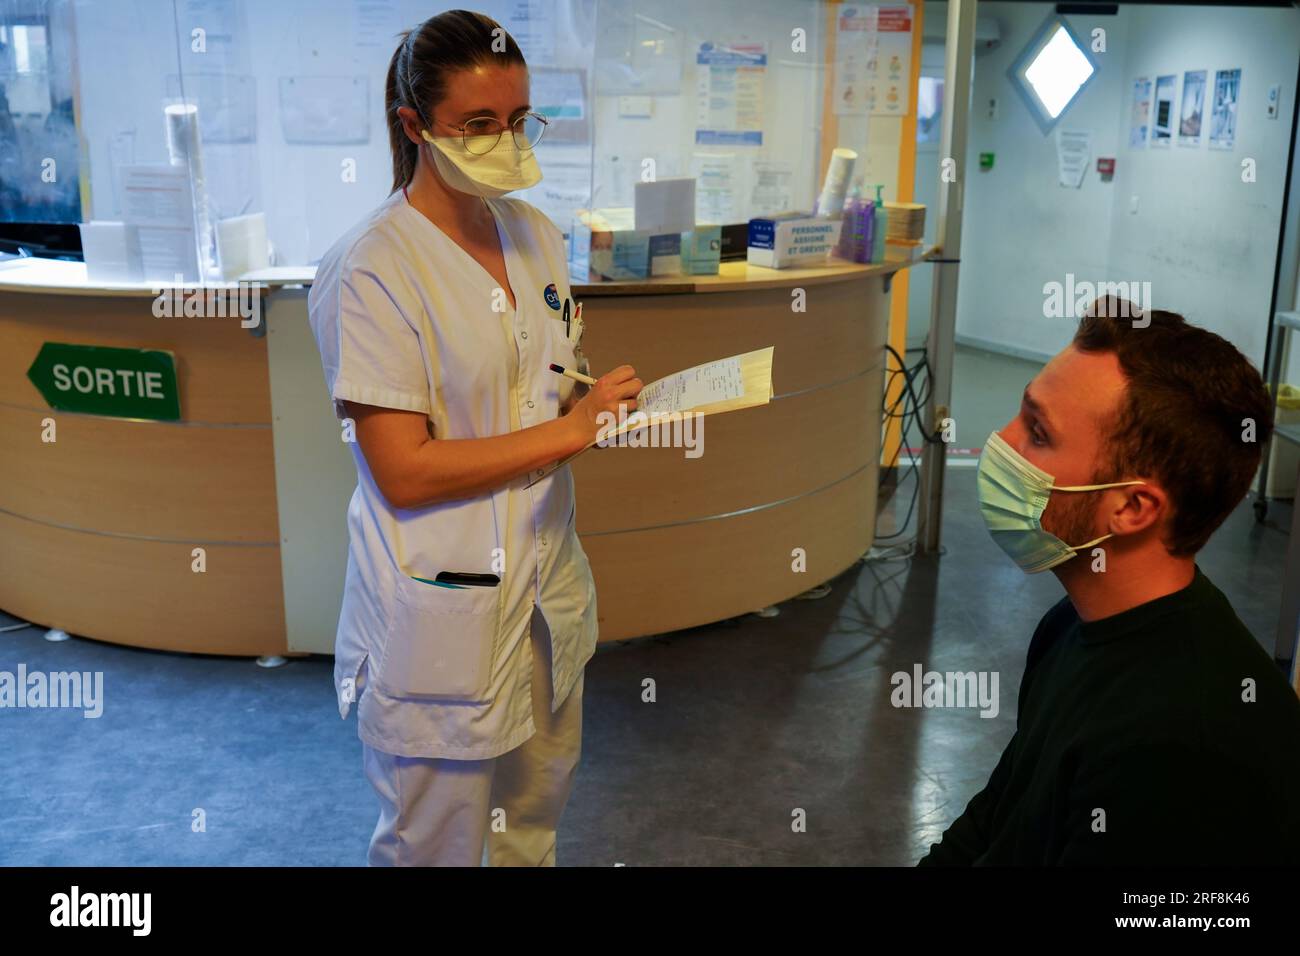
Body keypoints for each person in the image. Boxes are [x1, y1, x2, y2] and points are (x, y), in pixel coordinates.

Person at [305, 10, 641, 866]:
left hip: (543, 593)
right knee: (437, 847)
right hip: (439, 610)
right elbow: (404, 472)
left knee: (530, 830)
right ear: (414, 127)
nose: (505, 142)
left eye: (519, 121)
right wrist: (568, 434)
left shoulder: (535, 236)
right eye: (478, 126)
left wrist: (587, 397)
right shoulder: (375, 268)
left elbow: (537, 375)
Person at [918, 298, 1300, 865]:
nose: (1002, 439)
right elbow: (998, 813)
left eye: (1039, 433)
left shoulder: (1183, 751)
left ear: (1133, 507)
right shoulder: (1071, 624)